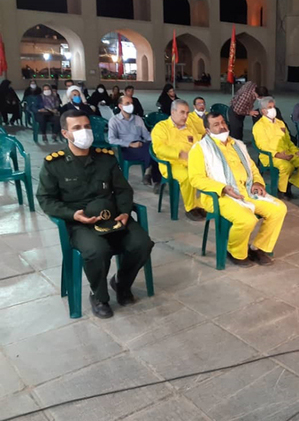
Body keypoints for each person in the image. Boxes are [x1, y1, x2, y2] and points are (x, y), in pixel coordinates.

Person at [36, 110, 154, 318]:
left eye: (87, 126)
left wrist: (125, 212)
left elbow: (123, 190)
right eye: (77, 128)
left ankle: (121, 283)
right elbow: (46, 199)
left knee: (142, 243)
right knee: (97, 250)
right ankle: (98, 296)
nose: (84, 132)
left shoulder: (105, 158)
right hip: (80, 223)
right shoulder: (54, 164)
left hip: (112, 217)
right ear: (65, 133)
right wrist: (73, 215)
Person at [188, 112, 288, 267]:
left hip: (246, 191)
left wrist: (258, 182)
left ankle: (258, 248)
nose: (222, 126)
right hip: (220, 196)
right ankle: (235, 251)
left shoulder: (238, 144)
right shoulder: (200, 149)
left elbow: (252, 167)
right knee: (247, 219)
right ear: (207, 130)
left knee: (279, 209)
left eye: (222, 122)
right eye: (216, 124)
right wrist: (223, 188)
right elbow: (196, 179)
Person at [151, 99, 205, 221]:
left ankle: (201, 204)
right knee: (188, 176)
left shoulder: (189, 128)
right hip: (171, 165)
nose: (185, 116)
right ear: (173, 112)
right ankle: (190, 208)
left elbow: (198, 144)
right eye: (182, 112)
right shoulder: (161, 128)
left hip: (191, 162)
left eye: (187, 113)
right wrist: (179, 154)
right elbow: (158, 148)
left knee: (213, 173)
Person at [253, 96, 299, 199]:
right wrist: (278, 155)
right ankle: (282, 191)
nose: (273, 109)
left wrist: (297, 152)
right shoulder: (259, 126)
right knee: (286, 166)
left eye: (273, 106)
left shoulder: (280, 123)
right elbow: (263, 146)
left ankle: (289, 184)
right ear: (263, 111)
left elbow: (288, 141)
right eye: (270, 107)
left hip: (287, 153)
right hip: (271, 157)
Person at [108, 95, 161, 192]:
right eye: (127, 103)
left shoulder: (138, 119)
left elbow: (146, 135)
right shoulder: (114, 121)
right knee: (150, 151)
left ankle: (150, 175)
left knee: (155, 148)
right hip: (126, 149)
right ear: (120, 106)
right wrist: (130, 144)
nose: (131, 105)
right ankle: (153, 177)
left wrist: (157, 139)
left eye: (131, 103)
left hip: (140, 145)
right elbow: (112, 140)